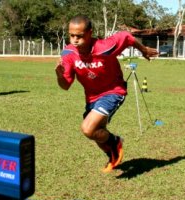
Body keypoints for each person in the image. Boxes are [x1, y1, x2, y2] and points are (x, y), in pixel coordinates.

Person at [55, 15, 158, 173]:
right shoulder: (68, 53)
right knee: (96, 132)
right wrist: (60, 75)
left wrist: (143, 50)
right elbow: (66, 86)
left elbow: (126, 37)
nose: (75, 40)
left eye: (80, 36)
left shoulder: (105, 46)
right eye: (72, 35)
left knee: (88, 129)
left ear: (90, 33)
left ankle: (115, 141)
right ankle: (113, 154)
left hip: (113, 91)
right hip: (91, 97)